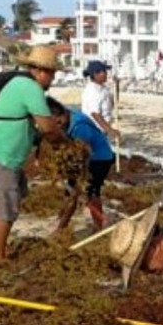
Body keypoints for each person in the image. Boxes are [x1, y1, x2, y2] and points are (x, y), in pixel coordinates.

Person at [0, 45, 64, 260]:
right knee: (8, 203)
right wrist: (64, 144)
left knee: (18, 189)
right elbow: (47, 128)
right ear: (42, 71)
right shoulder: (30, 88)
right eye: (53, 74)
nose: (53, 80)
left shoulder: (19, 82)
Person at [43, 97, 115, 234]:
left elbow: (84, 156)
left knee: (91, 192)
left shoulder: (79, 126)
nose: (58, 127)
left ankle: (98, 227)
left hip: (99, 159)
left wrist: (79, 183)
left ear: (61, 115)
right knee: (69, 192)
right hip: (84, 158)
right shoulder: (67, 118)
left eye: (58, 123)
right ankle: (61, 222)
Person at [80, 59, 121, 144]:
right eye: (104, 71)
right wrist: (110, 131)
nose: (106, 74)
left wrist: (116, 87)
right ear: (95, 74)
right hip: (94, 132)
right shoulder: (92, 91)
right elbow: (95, 114)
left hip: (102, 130)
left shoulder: (103, 88)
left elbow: (113, 103)